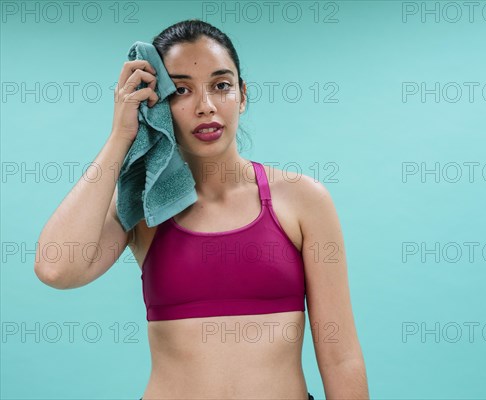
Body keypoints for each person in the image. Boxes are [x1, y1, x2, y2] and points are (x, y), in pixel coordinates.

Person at [34, 19, 369, 399]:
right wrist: (121, 136)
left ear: (242, 95)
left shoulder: (304, 200)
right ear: (155, 104)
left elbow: (341, 357)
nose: (206, 106)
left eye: (221, 85)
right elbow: (55, 268)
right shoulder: (146, 206)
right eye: (180, 90)